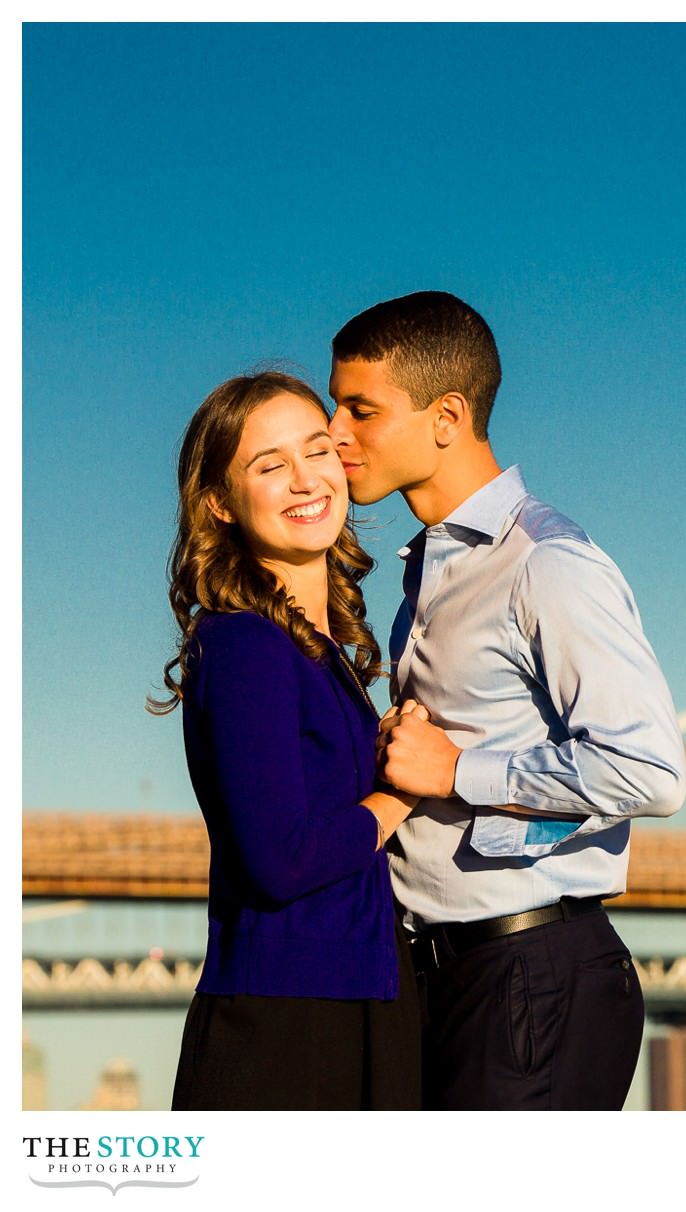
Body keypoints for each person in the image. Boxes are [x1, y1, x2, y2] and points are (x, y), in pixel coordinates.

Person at [327, 291, 686, 1110]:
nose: (336, 435)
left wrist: (460, 768)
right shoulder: (431, 569)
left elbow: (651, 770)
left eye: (361, 410)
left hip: (531, 979)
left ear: (447, 415)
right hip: (446, 977)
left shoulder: (546, 565)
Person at [152, 371, 421, 1111]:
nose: (307, 480)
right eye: (270, 466)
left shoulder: (316, 652)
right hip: (289, 1025)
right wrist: (401, 789)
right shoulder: (245, 643)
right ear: (219, 503)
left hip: (356, 997)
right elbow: (282, 857)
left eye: (319, 451)